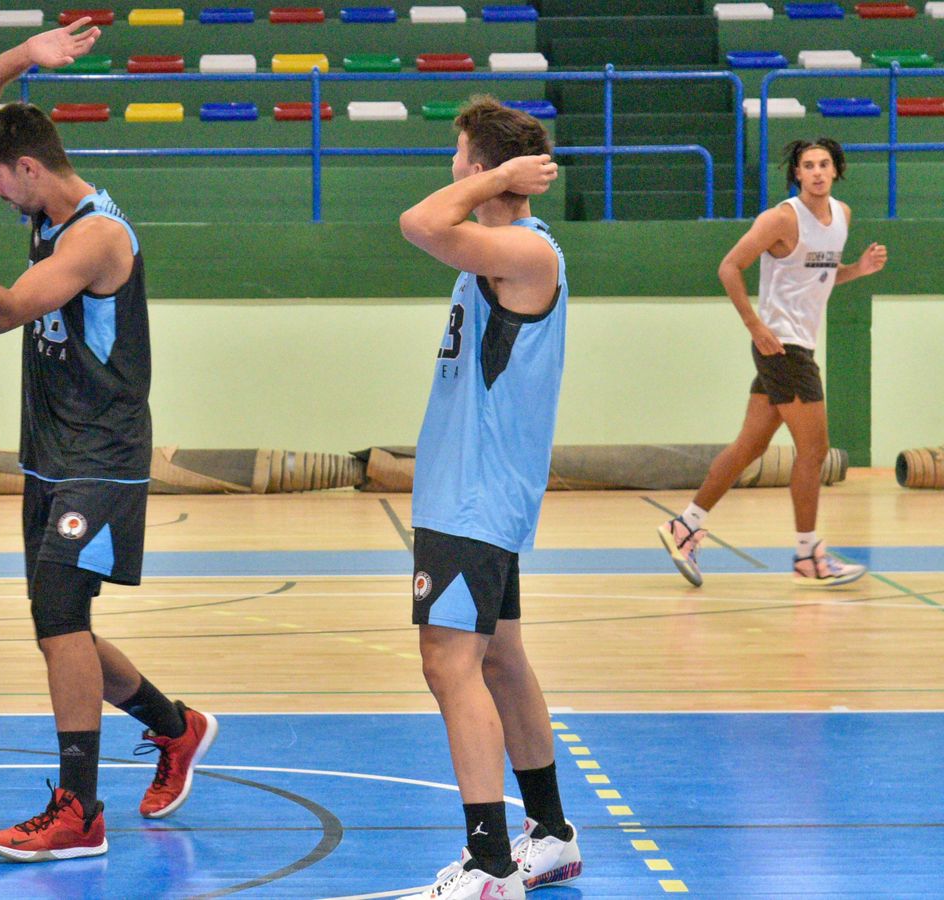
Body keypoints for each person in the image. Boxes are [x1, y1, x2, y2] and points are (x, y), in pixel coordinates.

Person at [0, 19, 216, 862]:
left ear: (29, 169)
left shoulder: (94, 235)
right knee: (53, 625)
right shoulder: (36, 187)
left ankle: (78, 810)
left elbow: (4, 313)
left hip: (101, 453)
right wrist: (28, 55)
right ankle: (176, 728)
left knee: (62, 616)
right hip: (52, 450)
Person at [396, 97, 581, 899]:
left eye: (458, 154)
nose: (450, 167)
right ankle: (552, 836)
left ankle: (489, 865)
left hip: (473, 497)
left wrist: (498, 176)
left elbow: (419, 222)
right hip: (473, 493)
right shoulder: (500, 253)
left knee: (449, 664)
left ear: (483, 167)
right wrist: (495, 179)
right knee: (500, 658)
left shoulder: (525, 255)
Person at [658, 137, 886, 588]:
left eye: (824, 164)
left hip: (793, 347)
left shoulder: (842, 216)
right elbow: (729, 266)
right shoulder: (781, 218)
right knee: (814, 452)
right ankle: (807, 554)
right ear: (796, 173)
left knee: (750, 447)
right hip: (782, 348)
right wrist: (754, 326)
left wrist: (858, 270)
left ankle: (683, 526)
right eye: (808, 165)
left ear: (836, 170)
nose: (817, 172)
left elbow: (818, 278)